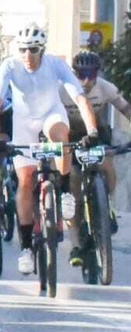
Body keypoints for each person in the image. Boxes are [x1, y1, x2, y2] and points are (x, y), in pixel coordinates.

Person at [0, 26, 99, 276]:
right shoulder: (9, 66)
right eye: (22, 49)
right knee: (25, 181)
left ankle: (65, 191)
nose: (27, 54)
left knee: (60, 138)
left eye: (33, 49)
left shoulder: (54, 64)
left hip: (51, 115)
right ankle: (26, 248)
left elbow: (80, 98)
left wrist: (92, 130)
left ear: (42, 49)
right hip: (23, 123)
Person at [65, 50, 129, 262]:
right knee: (73, 183)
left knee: (107, 163)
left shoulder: (105, 87)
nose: (85, 81)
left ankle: (107, 205)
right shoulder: (62, 89)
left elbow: (125, 109)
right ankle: (75, 245)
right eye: (80, 75)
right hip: (71, 134)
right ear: (74, 73)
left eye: (90, 75)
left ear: (97, 74)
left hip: (97, 132)